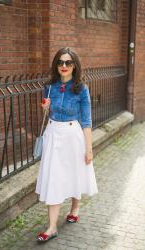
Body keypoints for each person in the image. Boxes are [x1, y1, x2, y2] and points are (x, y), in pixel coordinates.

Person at [35, 47, 98, 242]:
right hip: (53, 134)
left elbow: (86, 121)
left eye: (68, 62)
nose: (64, 66)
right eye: (60, 62)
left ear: (74, 66)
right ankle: (52, 227)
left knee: (75, 172)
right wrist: (45, 108)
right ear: (56, 65)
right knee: (54, 177)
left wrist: (89, 149)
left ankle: (75, 207)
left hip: (73, 135)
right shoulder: (49, 86)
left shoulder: (81, 89)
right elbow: (47, 112)